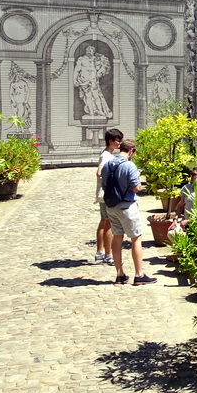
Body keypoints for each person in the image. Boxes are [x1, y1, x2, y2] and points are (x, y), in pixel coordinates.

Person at [102, 139, 157, 286]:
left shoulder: (108, 164)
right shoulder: (129, 165)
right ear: (131, 151)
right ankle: (139, 274)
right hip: (127, 206)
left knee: (117, 237)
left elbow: (104, 182)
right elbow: (136, 188)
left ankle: (120, 274)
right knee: (136, 238)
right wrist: (137, 177)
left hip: (111, 206)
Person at [94, 128, 123, 264]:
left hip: (103, 193)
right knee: (109, 223)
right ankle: (108, 254)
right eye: (118, 140)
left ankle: (100, 252)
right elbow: (99, 172)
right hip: (107, 193)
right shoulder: (107, 156)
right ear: (111, 141)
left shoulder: (106, 154)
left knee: (104, 221)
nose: (120, 143)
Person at [74, 45, 112, 118]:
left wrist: (99, 72)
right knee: (88, 97)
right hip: (84, 81)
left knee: (96, 96)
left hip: (94, 81)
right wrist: (74, 80)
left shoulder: (96, 59)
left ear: (93, 52)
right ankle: (91, 112)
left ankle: (100, 110)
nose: (89, 51)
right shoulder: (81, 59)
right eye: (88, 50)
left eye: (91, 50)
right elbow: (76, 70)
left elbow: (103, 67)